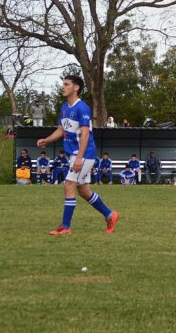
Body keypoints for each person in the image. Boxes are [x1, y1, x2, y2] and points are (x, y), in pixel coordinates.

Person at [37, 75, 119, 236]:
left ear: (76, 88)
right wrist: (46, 140)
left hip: (84, 154)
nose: (63, 87)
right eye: (63, 84)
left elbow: (85, 135)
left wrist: (80, 158)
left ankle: (65, 227)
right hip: (76, 154)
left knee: (68, 185)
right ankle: (110, 215)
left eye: (66, 84)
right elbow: (61, 130)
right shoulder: (64, 107)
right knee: (83, 190)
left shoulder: (82, 108)